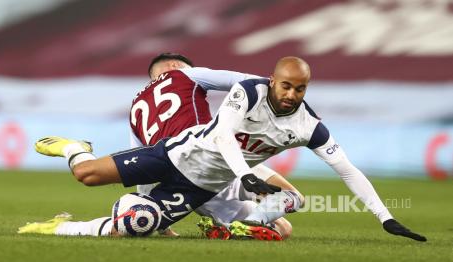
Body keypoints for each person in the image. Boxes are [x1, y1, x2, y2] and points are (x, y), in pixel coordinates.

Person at [23, 56, 427, 242]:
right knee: (86, 174)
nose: (289, 94)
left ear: (306, 89)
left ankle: (62, 228)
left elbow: (348, 170)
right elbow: (220, 135)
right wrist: (246, 173)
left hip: (206, 184)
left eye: (298, 88)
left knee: (141, 224)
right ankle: (76, 148)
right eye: (284, 85)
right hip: (175, 153)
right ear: (273, 81)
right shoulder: (248, 90)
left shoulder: (310, 126)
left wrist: (385, 217)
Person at [19, 53, 300, 240]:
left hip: (183, 170)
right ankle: (226, 226)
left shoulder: (135, 108)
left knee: (128, 215)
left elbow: (143, 176)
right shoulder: (188, 74)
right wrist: (285, 94)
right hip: (210, 158)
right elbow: (251, 83)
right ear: (179, 67)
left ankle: (72, 172)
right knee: (285, 212)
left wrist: (159, 221)